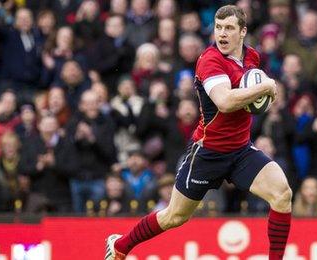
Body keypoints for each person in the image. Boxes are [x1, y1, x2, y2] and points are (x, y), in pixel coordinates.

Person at [106, 6, 292, 260]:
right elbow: (225, 102)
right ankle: (121, 246)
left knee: (282, 194)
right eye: (218, 28)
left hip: (240, 150)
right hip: (208, 153)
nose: (222, 34)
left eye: (229, 28)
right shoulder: (210, 60)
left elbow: (251, 102)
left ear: (243, 32)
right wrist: (266, 86)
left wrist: (262, 92)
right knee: (175, 216)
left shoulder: (253, 58)